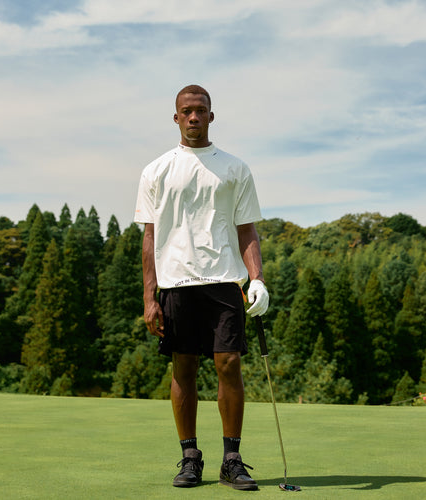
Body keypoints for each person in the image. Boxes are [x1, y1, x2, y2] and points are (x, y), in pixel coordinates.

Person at [134, 84, 269, 491]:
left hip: (224, 279)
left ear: (212, 116)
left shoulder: (235, 168)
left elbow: (247, 230)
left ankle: (232, 460)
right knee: (184, 367)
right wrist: (149, 297)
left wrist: (257, 278)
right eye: (186, 111)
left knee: (228, 364)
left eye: (201, 111)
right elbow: (149, 237)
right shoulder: (156, 170)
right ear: (175, 117)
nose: (194, 117)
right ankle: (190, 457)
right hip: (176, 283)